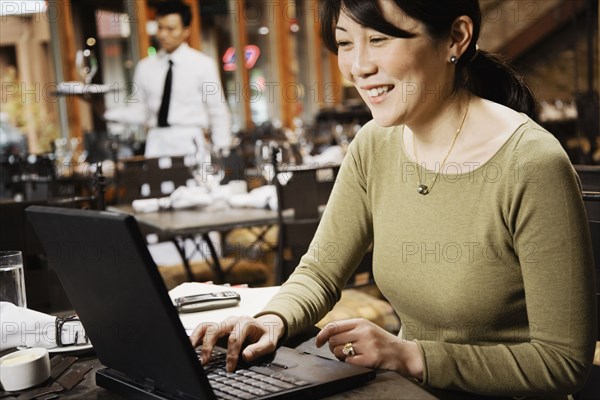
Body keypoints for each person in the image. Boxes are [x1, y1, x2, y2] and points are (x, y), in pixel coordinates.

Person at [191, 0, 596, 397]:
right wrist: (272, 320)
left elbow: (560, 362)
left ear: (456, 37)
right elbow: (320, 271)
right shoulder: (374, 144)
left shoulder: (532, 163)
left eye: (380, 39)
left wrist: (411, 356)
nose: (358, 67)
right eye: (345, 43)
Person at [108, 1, 232, 158]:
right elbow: (139, 112)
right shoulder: (145, 67)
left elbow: (218, 111)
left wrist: (222, 149)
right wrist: (110, 114)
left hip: (191, 142)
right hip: (156, 144)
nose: (163, 34)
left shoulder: (203, 65)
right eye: (160, 27)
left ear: (186, 31)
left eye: (170, 29)